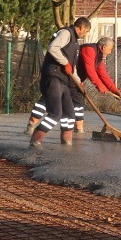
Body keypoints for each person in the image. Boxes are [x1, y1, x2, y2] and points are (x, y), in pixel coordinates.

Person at [29, 17, 91, 147]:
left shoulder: (75, 43)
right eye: (86, 31)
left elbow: (71, 67)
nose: (85, 34)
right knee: (56, 114)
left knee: (69, 114)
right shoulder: (66, 33)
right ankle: (36, 140)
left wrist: (79, 82)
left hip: (64, 81)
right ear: (81, 27)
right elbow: (53, 48)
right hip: (52, 77)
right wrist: (64, 62)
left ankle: (66, 143)